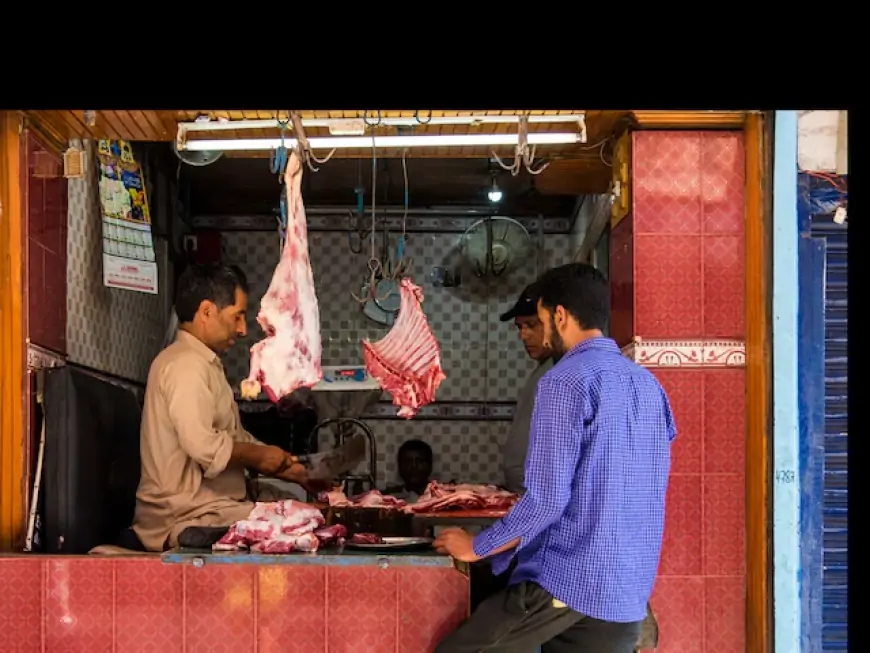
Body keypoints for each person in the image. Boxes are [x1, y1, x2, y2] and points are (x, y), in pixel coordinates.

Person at [433, 262, 676, 653]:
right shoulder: (648, 384)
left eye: (542, 320)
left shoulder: (565, 380)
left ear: (560, 316)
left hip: (570, 578)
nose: (541, 333)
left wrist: (475, 546)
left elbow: (547, 498)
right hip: (628, 586)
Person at [132, 263, 326, 552]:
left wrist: (290, 469)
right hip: (184, 516)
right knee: (305, 520)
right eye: (237, 316)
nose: (243, 329)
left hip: (214, 504)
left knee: (302, 510)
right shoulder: (184, 365)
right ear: (207, 311)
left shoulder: (204, 364)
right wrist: (260, 456)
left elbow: (234, 438)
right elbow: (203, 447)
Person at [498, 283, 554, 494]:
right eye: (520, 327)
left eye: (531, 325)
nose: (524, 335)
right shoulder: (543, 370)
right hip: (526, 496)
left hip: (539, 499)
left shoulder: (560, 374)